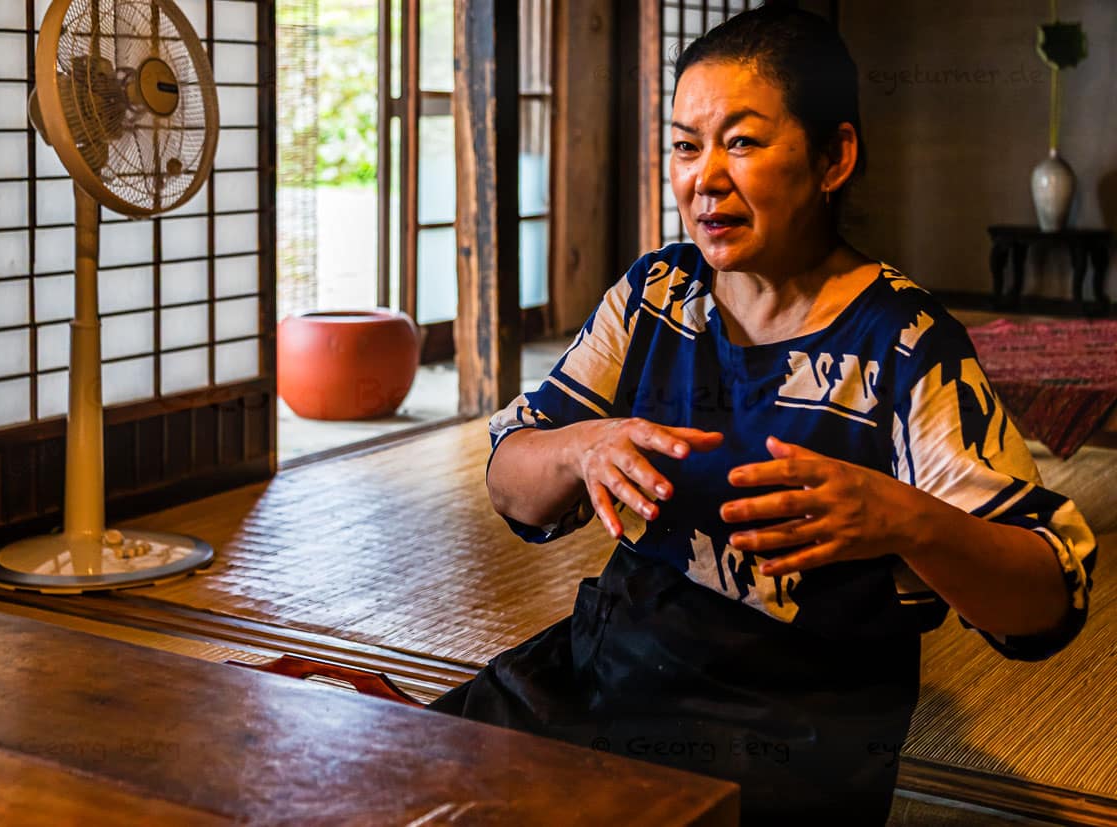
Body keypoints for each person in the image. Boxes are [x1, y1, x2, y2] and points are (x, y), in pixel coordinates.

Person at [426, 6, 1097, 825]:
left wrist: (904, 519)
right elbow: (510, 483)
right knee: (398, 778)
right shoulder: (655, 295)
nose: (704, 176)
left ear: (833, 157)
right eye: (685, 144)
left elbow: (1047, 597)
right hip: (602, 672)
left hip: (789, 733)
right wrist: (583, 446)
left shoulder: (904, 340)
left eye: (741, 141)